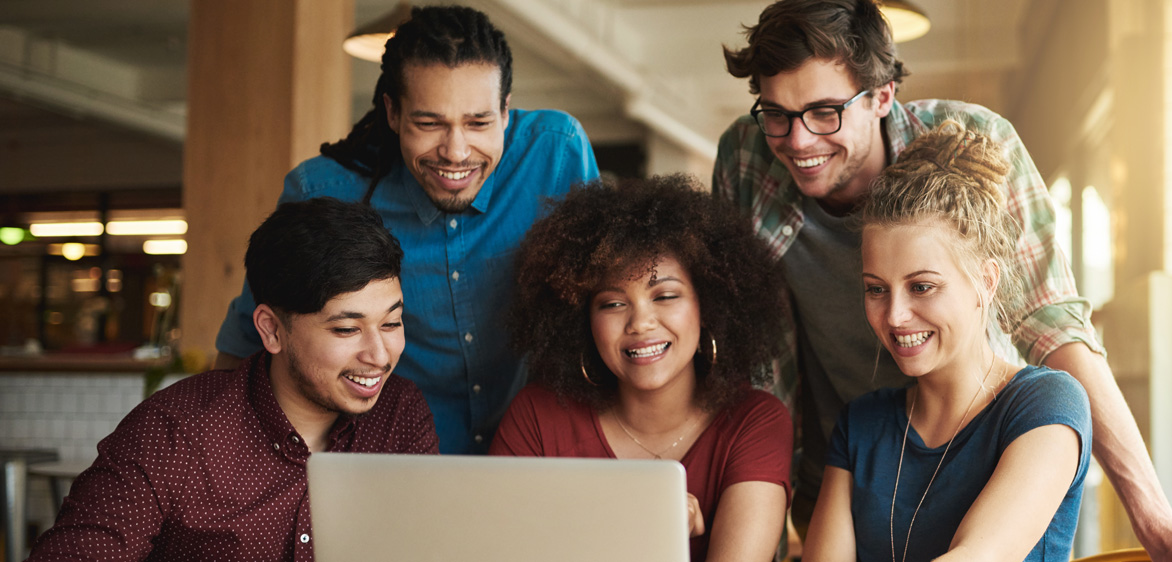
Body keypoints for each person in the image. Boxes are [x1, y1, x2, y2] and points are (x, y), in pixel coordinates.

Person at [713, 1, 1172, 560]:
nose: (798, 141)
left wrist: (1153, 518)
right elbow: (749, 364)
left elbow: (1051, 322)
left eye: (824, 112)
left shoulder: (974, 140)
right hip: (849, 464)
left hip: (981, 455)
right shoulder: (745, 158)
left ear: (882, 96)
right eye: (777, 114)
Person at [213, 5, 600, 454]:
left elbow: (601, 305)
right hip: (388, 461)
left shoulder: (556, 153)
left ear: (506, 111)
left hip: (538, 454)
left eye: (479, 122)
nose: (456, 152)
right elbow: (247, 345)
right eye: (429, 123)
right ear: (393, 112)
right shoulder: (324, 191)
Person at [28, 198, 437, 562]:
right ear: (272, 330)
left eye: (392, 323)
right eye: (347, 330)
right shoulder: (173, 433)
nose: (379, 356)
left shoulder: (399, 415)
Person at [805, 124, 1090, 561]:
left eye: (921, 287)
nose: (895, 316)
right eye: (876, 289)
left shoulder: (1046, 404)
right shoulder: (861, 426)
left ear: (985, 282)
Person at [491, 176, 792, 562]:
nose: (640, 323)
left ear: (710, 305)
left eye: (665, 296)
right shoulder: (537, 417)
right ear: (582, 320)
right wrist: (640, 520)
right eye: (612, 304)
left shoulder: (755, 422)